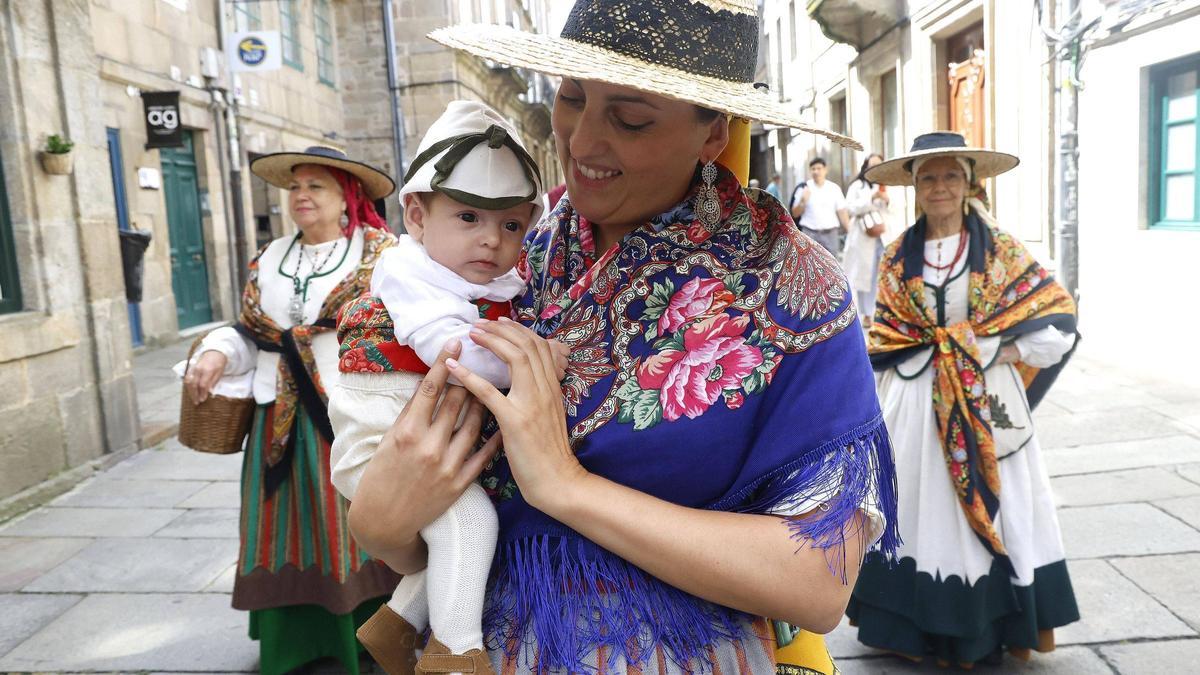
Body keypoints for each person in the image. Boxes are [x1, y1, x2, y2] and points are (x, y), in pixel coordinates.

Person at [344, 1, 900, 673]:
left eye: (630, 118)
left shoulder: (788, 283)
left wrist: (566, 486)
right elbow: (435, 513)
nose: (580, 142)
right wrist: (380, 523)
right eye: (571, 98)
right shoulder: (518, 249)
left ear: (712, 134)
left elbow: (818, 583)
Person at [327, 100, 566, 675]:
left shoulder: (466, 272)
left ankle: (397, 624)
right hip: (382, 450)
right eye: (468, 218)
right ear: (415, 216)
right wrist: (536, 360)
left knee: (457, 536)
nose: (491, 240)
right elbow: (455, 356)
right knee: (470, 522)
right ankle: (456, 653)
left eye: (511, 225)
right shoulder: (412, 276)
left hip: (430, 442)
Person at [847, 132, 1081, 666]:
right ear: (913, 186)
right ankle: (912, 627)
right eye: (928, 177)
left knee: (1003, 506)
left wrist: (990, 349)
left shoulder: (1000, 251)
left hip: (986, 404)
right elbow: (885, 335)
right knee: (915, 507)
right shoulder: (895, 257)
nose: (940, 187)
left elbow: (1055, 326)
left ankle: (986, 628)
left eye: (950, 175)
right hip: (913, 404)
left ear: (969, 182)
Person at [182, 147, 400, 675]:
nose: (301, 196)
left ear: (347, 197)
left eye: (316, 186)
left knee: (358, 525)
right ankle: (294, 643)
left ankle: (372, 636)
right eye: (295, 187)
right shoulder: (271, 256)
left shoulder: (382, 255)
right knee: (279, 526)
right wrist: (214, 350)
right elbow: (251, 333)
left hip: (351, 414)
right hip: (276, 420)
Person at [842, 153, 890, 328]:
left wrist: (887, 200)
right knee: (864, 278)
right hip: (863, 237)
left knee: (882, 276)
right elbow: (850, 208)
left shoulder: (886, 185)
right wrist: (872, 199)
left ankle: (880, 312)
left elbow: (895, 208)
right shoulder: (857, 186)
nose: (875, 169)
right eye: (872, 165)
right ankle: (867, 313)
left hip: (883, 236)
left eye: (879, 165)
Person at [791, 157, 849, 255]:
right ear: (810, 171)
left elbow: (842, 211)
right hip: (809, 233)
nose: (816, 171)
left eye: (819, 168)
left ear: (825, 170)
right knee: (809, 264)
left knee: (832, 266)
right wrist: (803, 201)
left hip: (830, 233)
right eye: (813, 169)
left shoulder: (834, 188)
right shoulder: (804, 188)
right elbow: (795, 214)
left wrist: (849, 231)